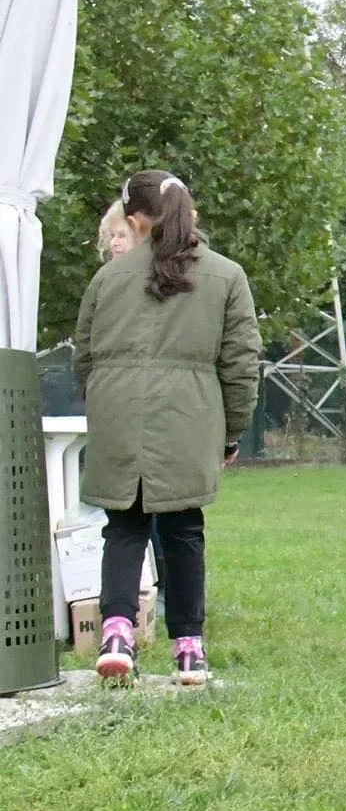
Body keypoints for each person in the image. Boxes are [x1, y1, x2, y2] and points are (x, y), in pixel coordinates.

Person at [74, 171, 261, 688]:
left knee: (122, 527)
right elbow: (241, 362)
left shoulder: (107, 279)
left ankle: (116, 634)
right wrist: (231, 430)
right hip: (190, 417)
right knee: (184, 530)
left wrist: (103, 404)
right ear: (187, 211)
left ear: (134, 220)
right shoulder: (227, 276)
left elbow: (84, 355)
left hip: (116, 413)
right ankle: (189, 649)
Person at [95, 199, 171, 632]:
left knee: (164, 518)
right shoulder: (107, 284)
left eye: (121, 235)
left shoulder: (162, 286)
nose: (115, 243)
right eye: (110, 237)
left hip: (162, 418)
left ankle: (161, 602)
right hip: (123, 417)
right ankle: (121, 619)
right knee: (127, 518)